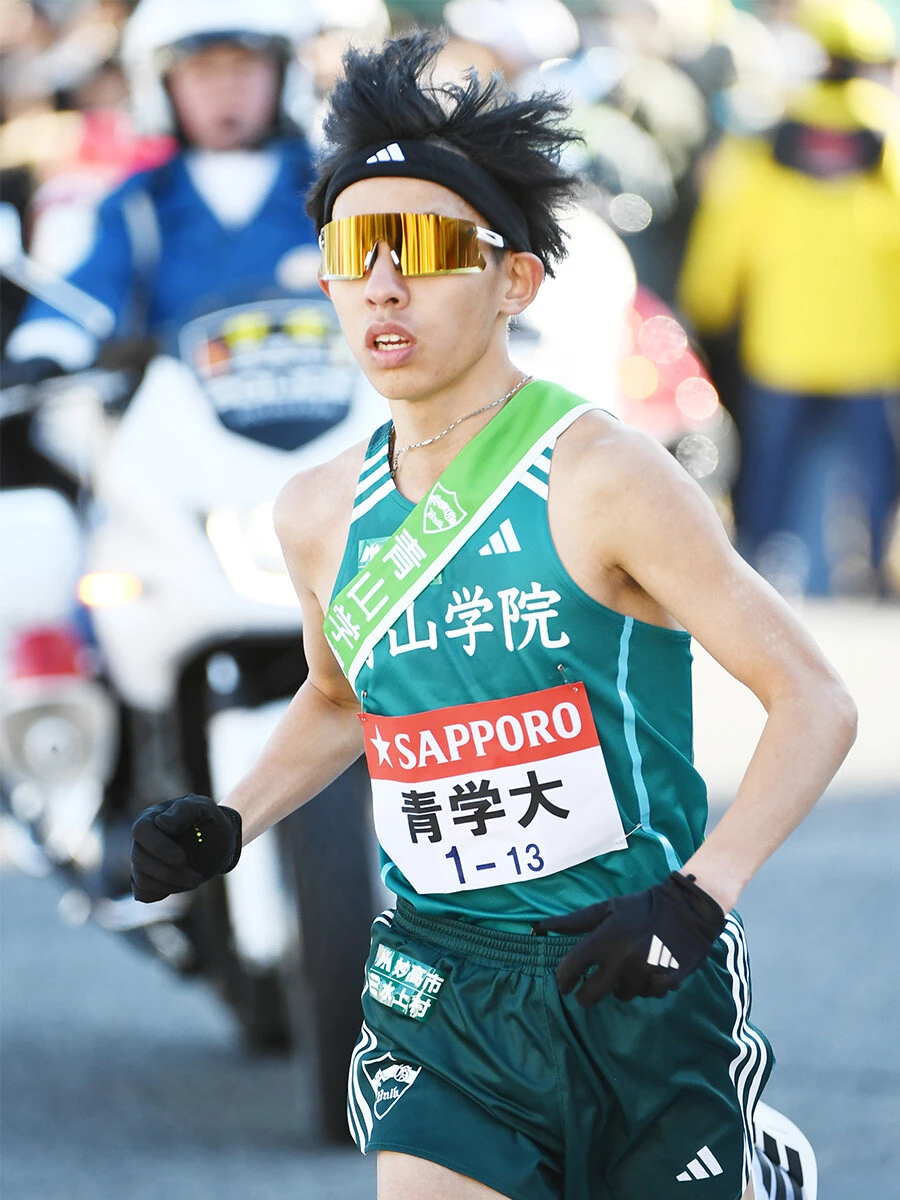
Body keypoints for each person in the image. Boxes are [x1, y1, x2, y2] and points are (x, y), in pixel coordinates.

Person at [131, 31, 855, 1200]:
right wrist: (231, 819)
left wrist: (698, 896)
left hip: (633, 966)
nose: (382, 284)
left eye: (422, 249)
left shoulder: (603, 473)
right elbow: (340, 700)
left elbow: (814, 700)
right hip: (441, 985)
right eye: (351, 251)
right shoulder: (318, 512)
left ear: (514, 280)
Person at [677, 0, 900, 596]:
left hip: (782, 342)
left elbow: (725, 235)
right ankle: (876, 574)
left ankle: (754, 568)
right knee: (874, 472)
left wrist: (707, 307)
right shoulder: (890, 138)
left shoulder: (767, 140)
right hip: (872, 347)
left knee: (769, 466)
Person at [4, 0, 323, 384]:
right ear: (164, 86)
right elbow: (91, 287)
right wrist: (45, 348)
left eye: (244, 67)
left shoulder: (331, 185)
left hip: (328, 402)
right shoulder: (140, 203)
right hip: (177, 412)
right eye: (203, 71)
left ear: (284, 74)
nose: (226, 88)